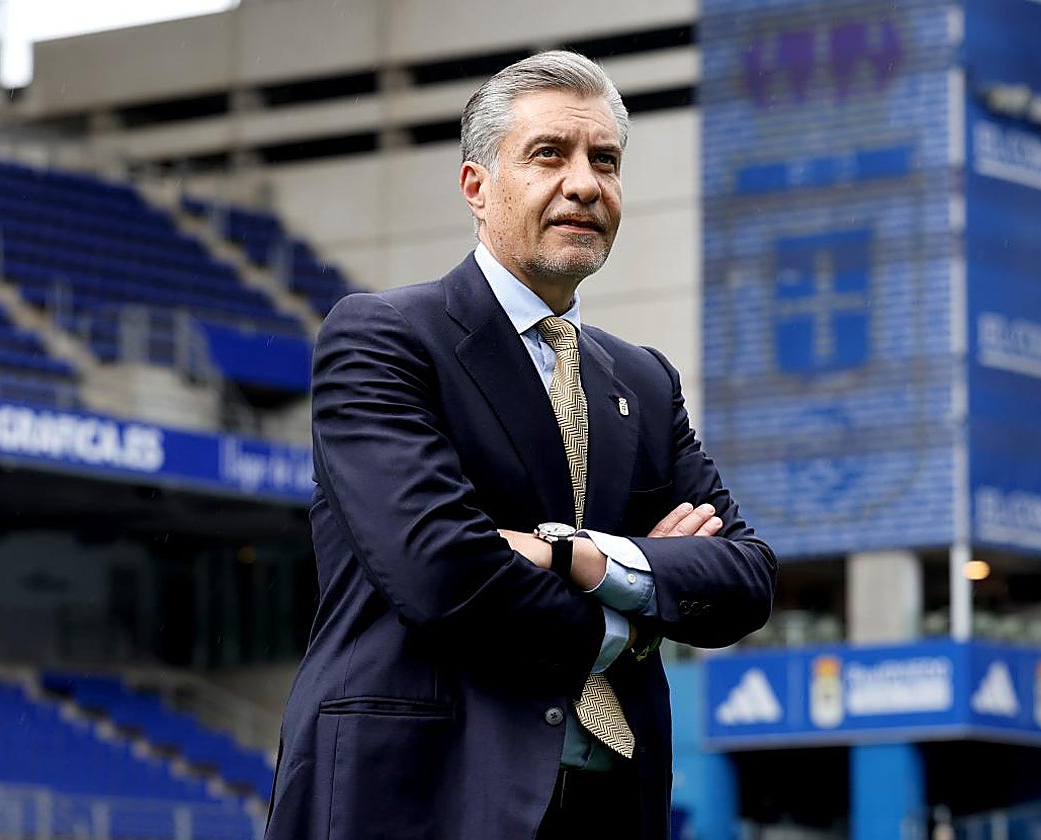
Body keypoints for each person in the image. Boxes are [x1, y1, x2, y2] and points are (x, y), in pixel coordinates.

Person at [264, 50, 776, 840]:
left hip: (607, 809)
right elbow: (443, 570)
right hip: (420, 798)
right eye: (549, 155)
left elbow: (744, 576)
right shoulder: (383, 338)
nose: (583, 183)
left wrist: (581, 557)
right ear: (476, 186)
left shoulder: (642, 379)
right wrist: (637, 618)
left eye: (604, 161)